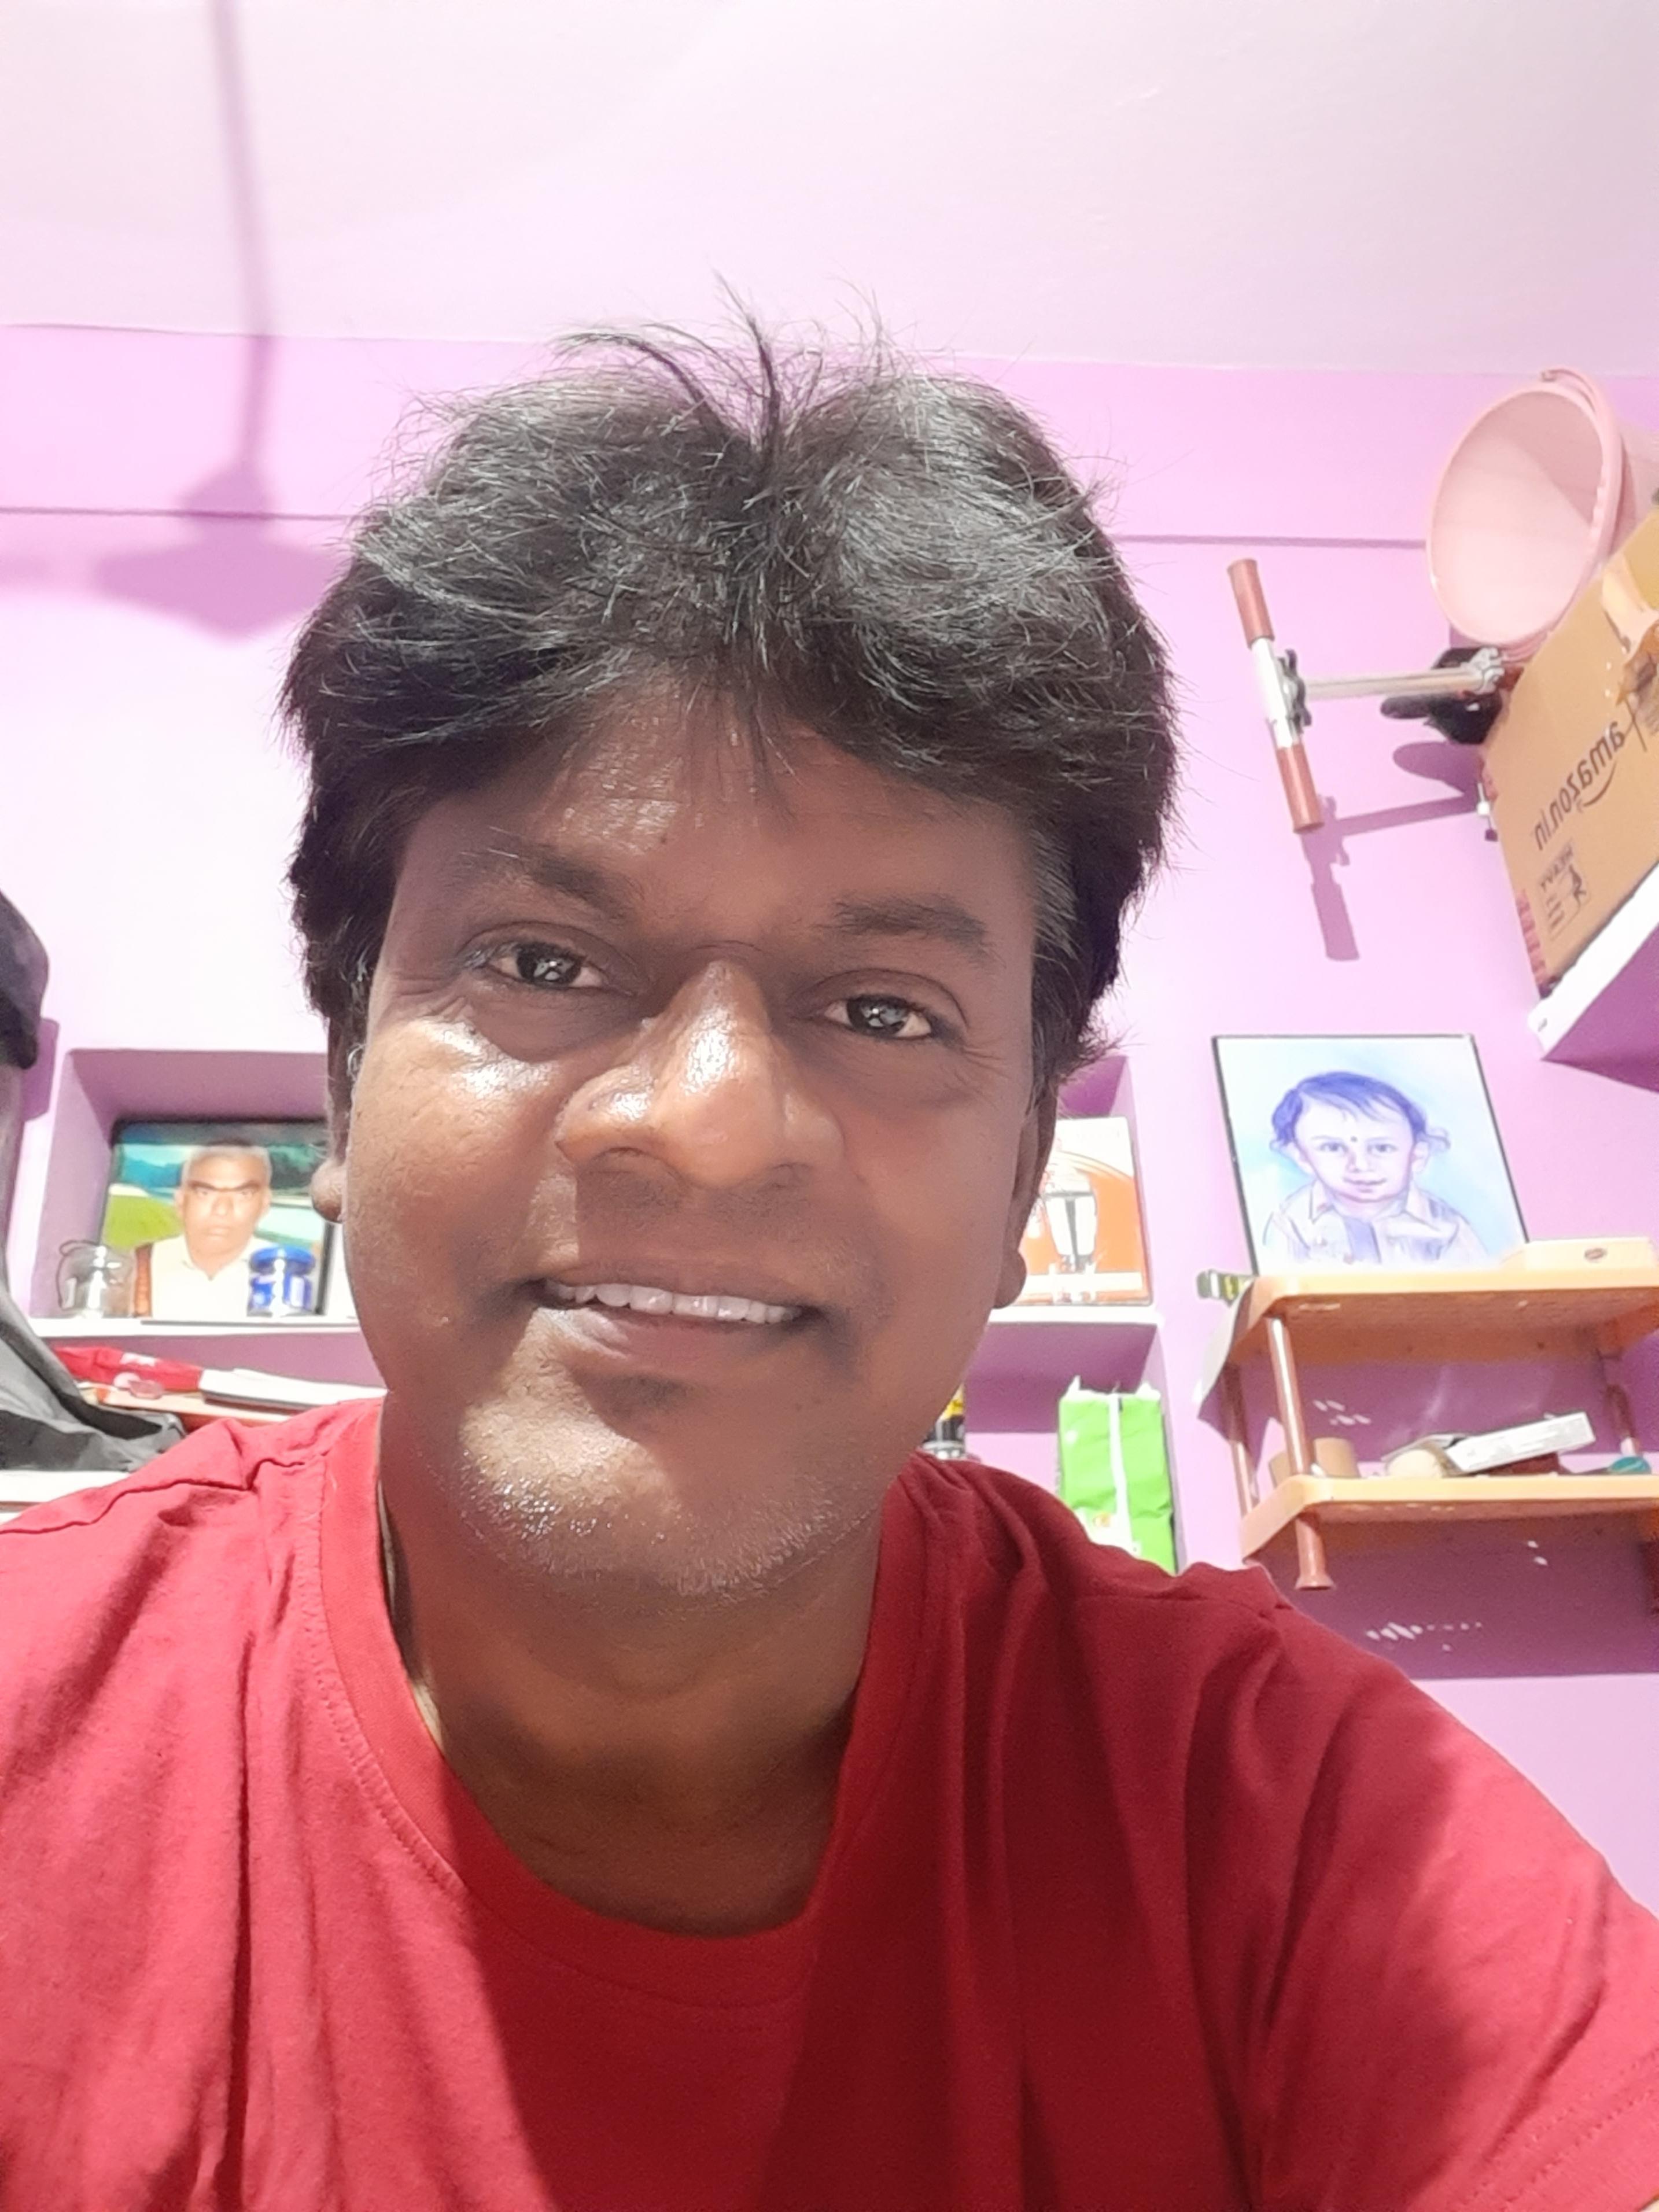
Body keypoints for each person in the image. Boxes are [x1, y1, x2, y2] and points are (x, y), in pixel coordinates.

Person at [0, 328, 1654, 2212]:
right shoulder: (40, 1718)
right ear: (344, 1075)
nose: (710, 1125)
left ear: (1022, 1173)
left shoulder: (1288, 1831)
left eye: (881, 1007)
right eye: (541, 960)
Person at [1259, 1070, 1491, 1269]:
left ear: (1417, 1156)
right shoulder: (1292, 1223)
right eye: (1333, 1148)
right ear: (1301, 1156)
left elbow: (1481, 1296)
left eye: (1382, 1148)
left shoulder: (1446, 1226)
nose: (1360, 1166)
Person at [132, 1143, 276, 1319]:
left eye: (243, 1194)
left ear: (265, 1204)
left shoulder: (291, 1274)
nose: (222, 1210)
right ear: (180, 1201)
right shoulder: (135, 1269)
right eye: (205, 1193)